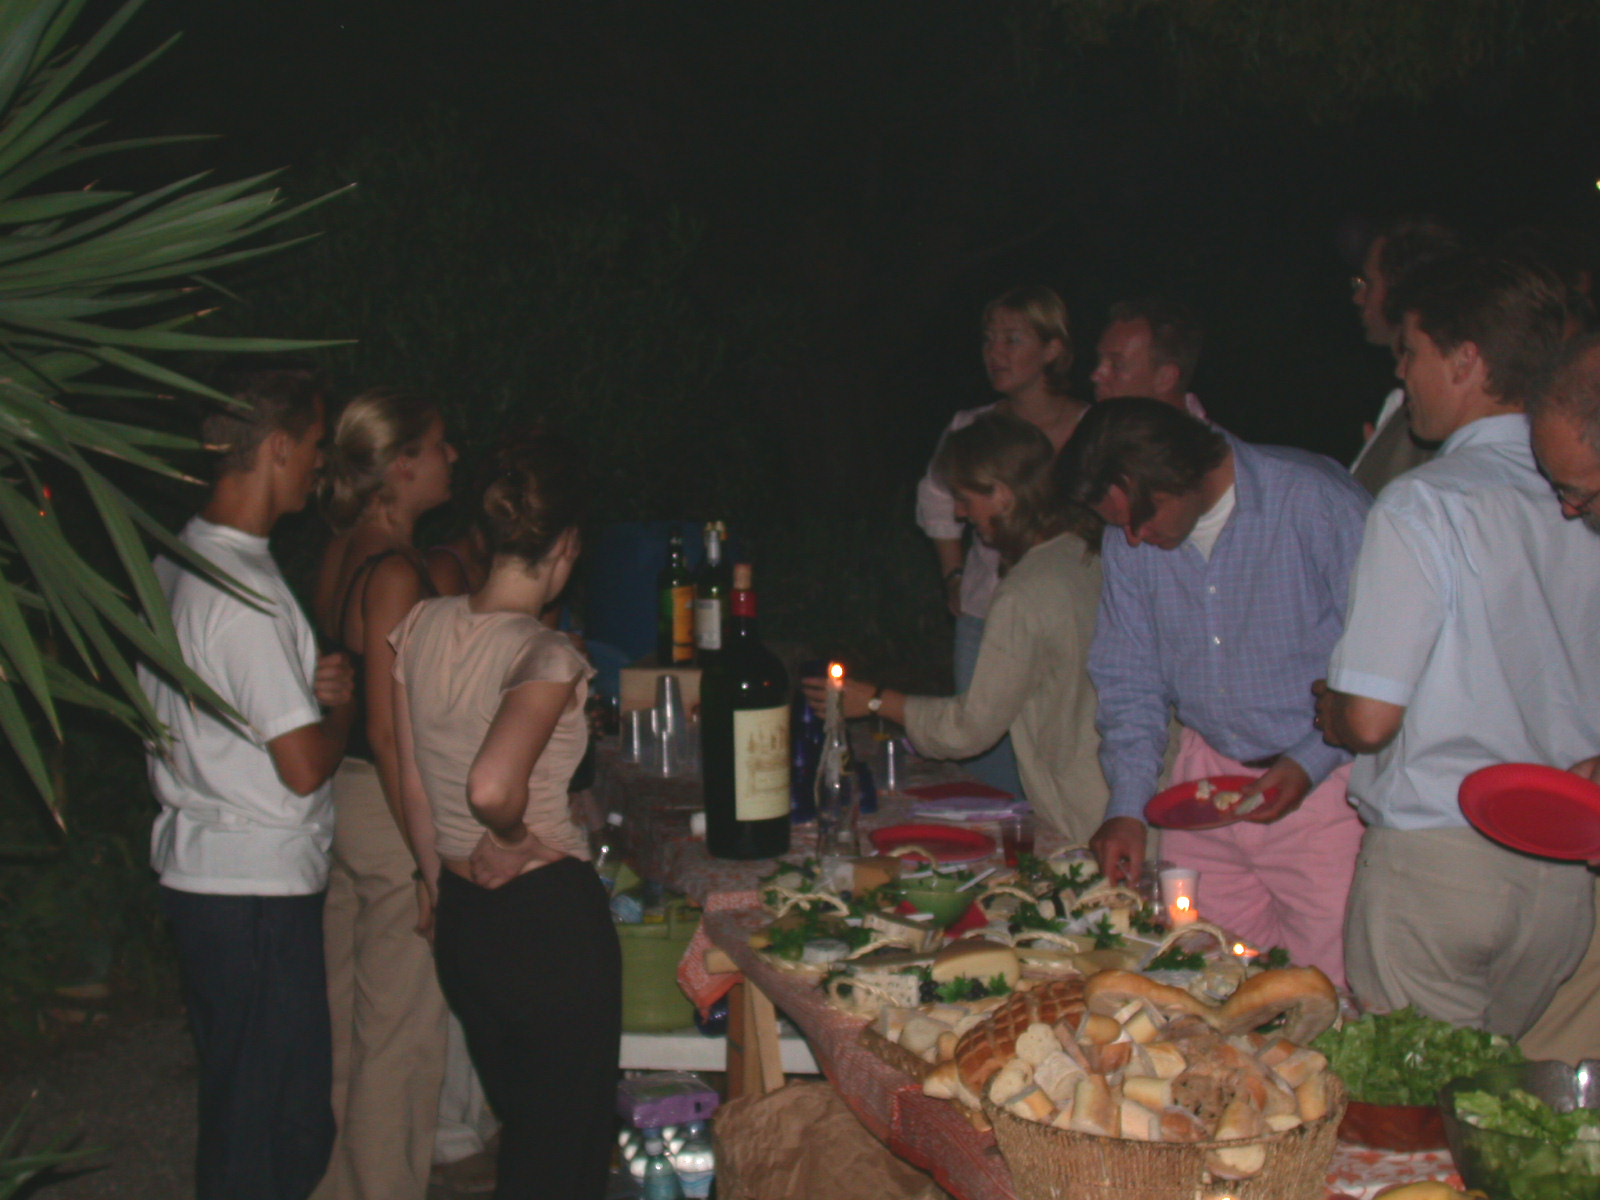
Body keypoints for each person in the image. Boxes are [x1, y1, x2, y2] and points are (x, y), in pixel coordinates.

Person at [1316, 252, 1600, 1037]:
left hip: (1438, 863)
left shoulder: (1425, 503)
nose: (1401, 374)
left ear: (1466, 360)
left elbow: (1370, 719)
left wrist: (1331, 709)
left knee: (1410, 1102)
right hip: (1560, 877)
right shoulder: (1577, 497)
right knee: (1504, 1096)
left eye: (1411, 352)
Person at [139, 361, 354, 1200]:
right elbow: (301, 768)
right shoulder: (245, 590)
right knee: (278, 1129)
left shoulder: (177, 558)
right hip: (252, 887)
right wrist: (339, 715)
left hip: (207, 875)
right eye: (315, 444)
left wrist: (306, 691)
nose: (320, 464)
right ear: (276, 447)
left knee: (244, 1109)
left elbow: (226, 712)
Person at [1062, 398, 1369, 985]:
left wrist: (1310, 759)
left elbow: (1384, 654)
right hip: (1203, 784)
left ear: (1180, 474)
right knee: (1206, 974)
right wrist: (1127, 807)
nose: (1132, 540)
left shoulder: (1313, 499)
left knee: (1323, 985)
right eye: (1118, 526)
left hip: (1327, 783)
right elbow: (1129, 679)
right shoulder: (1130, 537)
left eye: (1140, 519)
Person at [391, 433, 620, 1200]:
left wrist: (439, 881)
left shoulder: (418, 626)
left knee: (526, 1136)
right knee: (564, 1157)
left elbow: (414, 781)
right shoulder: (544, 654)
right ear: (566, 546)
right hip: (545, 921)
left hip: (466, 919)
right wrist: (513, 838)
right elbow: (492, 785)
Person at [805, 413, 1108, 842]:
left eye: (965, 498)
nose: (960, 513)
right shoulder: (1089, 552)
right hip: (1126, 789)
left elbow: (970, 728)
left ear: (1002, 493)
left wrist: (873, 700)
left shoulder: (1025, 592)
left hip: (1088, 813)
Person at [310, 389, 459, 1200]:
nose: (451, 458)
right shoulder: (396, 570)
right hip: (386, 808)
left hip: (345, 802)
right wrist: (428, 861)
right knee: (399, 1036)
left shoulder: (342, 550)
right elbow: (388, 727)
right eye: (438, 446)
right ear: (401, 465)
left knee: (349, 1025)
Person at [915, 285, 1088, 801]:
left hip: (1068, 620)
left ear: (1052, 348)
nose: (995, 353)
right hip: (986, 613)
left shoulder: (1093, 427)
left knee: (1063, 748)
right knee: (987, 763)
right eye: (989, 340)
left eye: (1012, 339)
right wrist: (953, 575)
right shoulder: (974, 427)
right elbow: (936, 503)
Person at [1347, 217, 1461, 494]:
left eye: (1368, 282)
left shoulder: (1436, 418)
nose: (1358, 298)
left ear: (1400, 289)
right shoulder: (1401, 406)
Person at [1089, 296, 1208, 419]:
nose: (1096, 376)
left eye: (1116, 365)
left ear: (1165, 378)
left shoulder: (1203, 434)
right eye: (1099, 360)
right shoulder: (1090, 425)